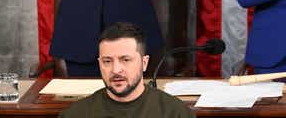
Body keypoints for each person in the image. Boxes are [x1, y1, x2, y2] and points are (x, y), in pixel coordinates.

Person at [59, 22, 195, 118]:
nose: (116, 70)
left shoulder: (175, 113)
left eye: (125, 60)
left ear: (144, 63)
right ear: (99, 63)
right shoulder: (76, 114)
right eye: (107, 61)